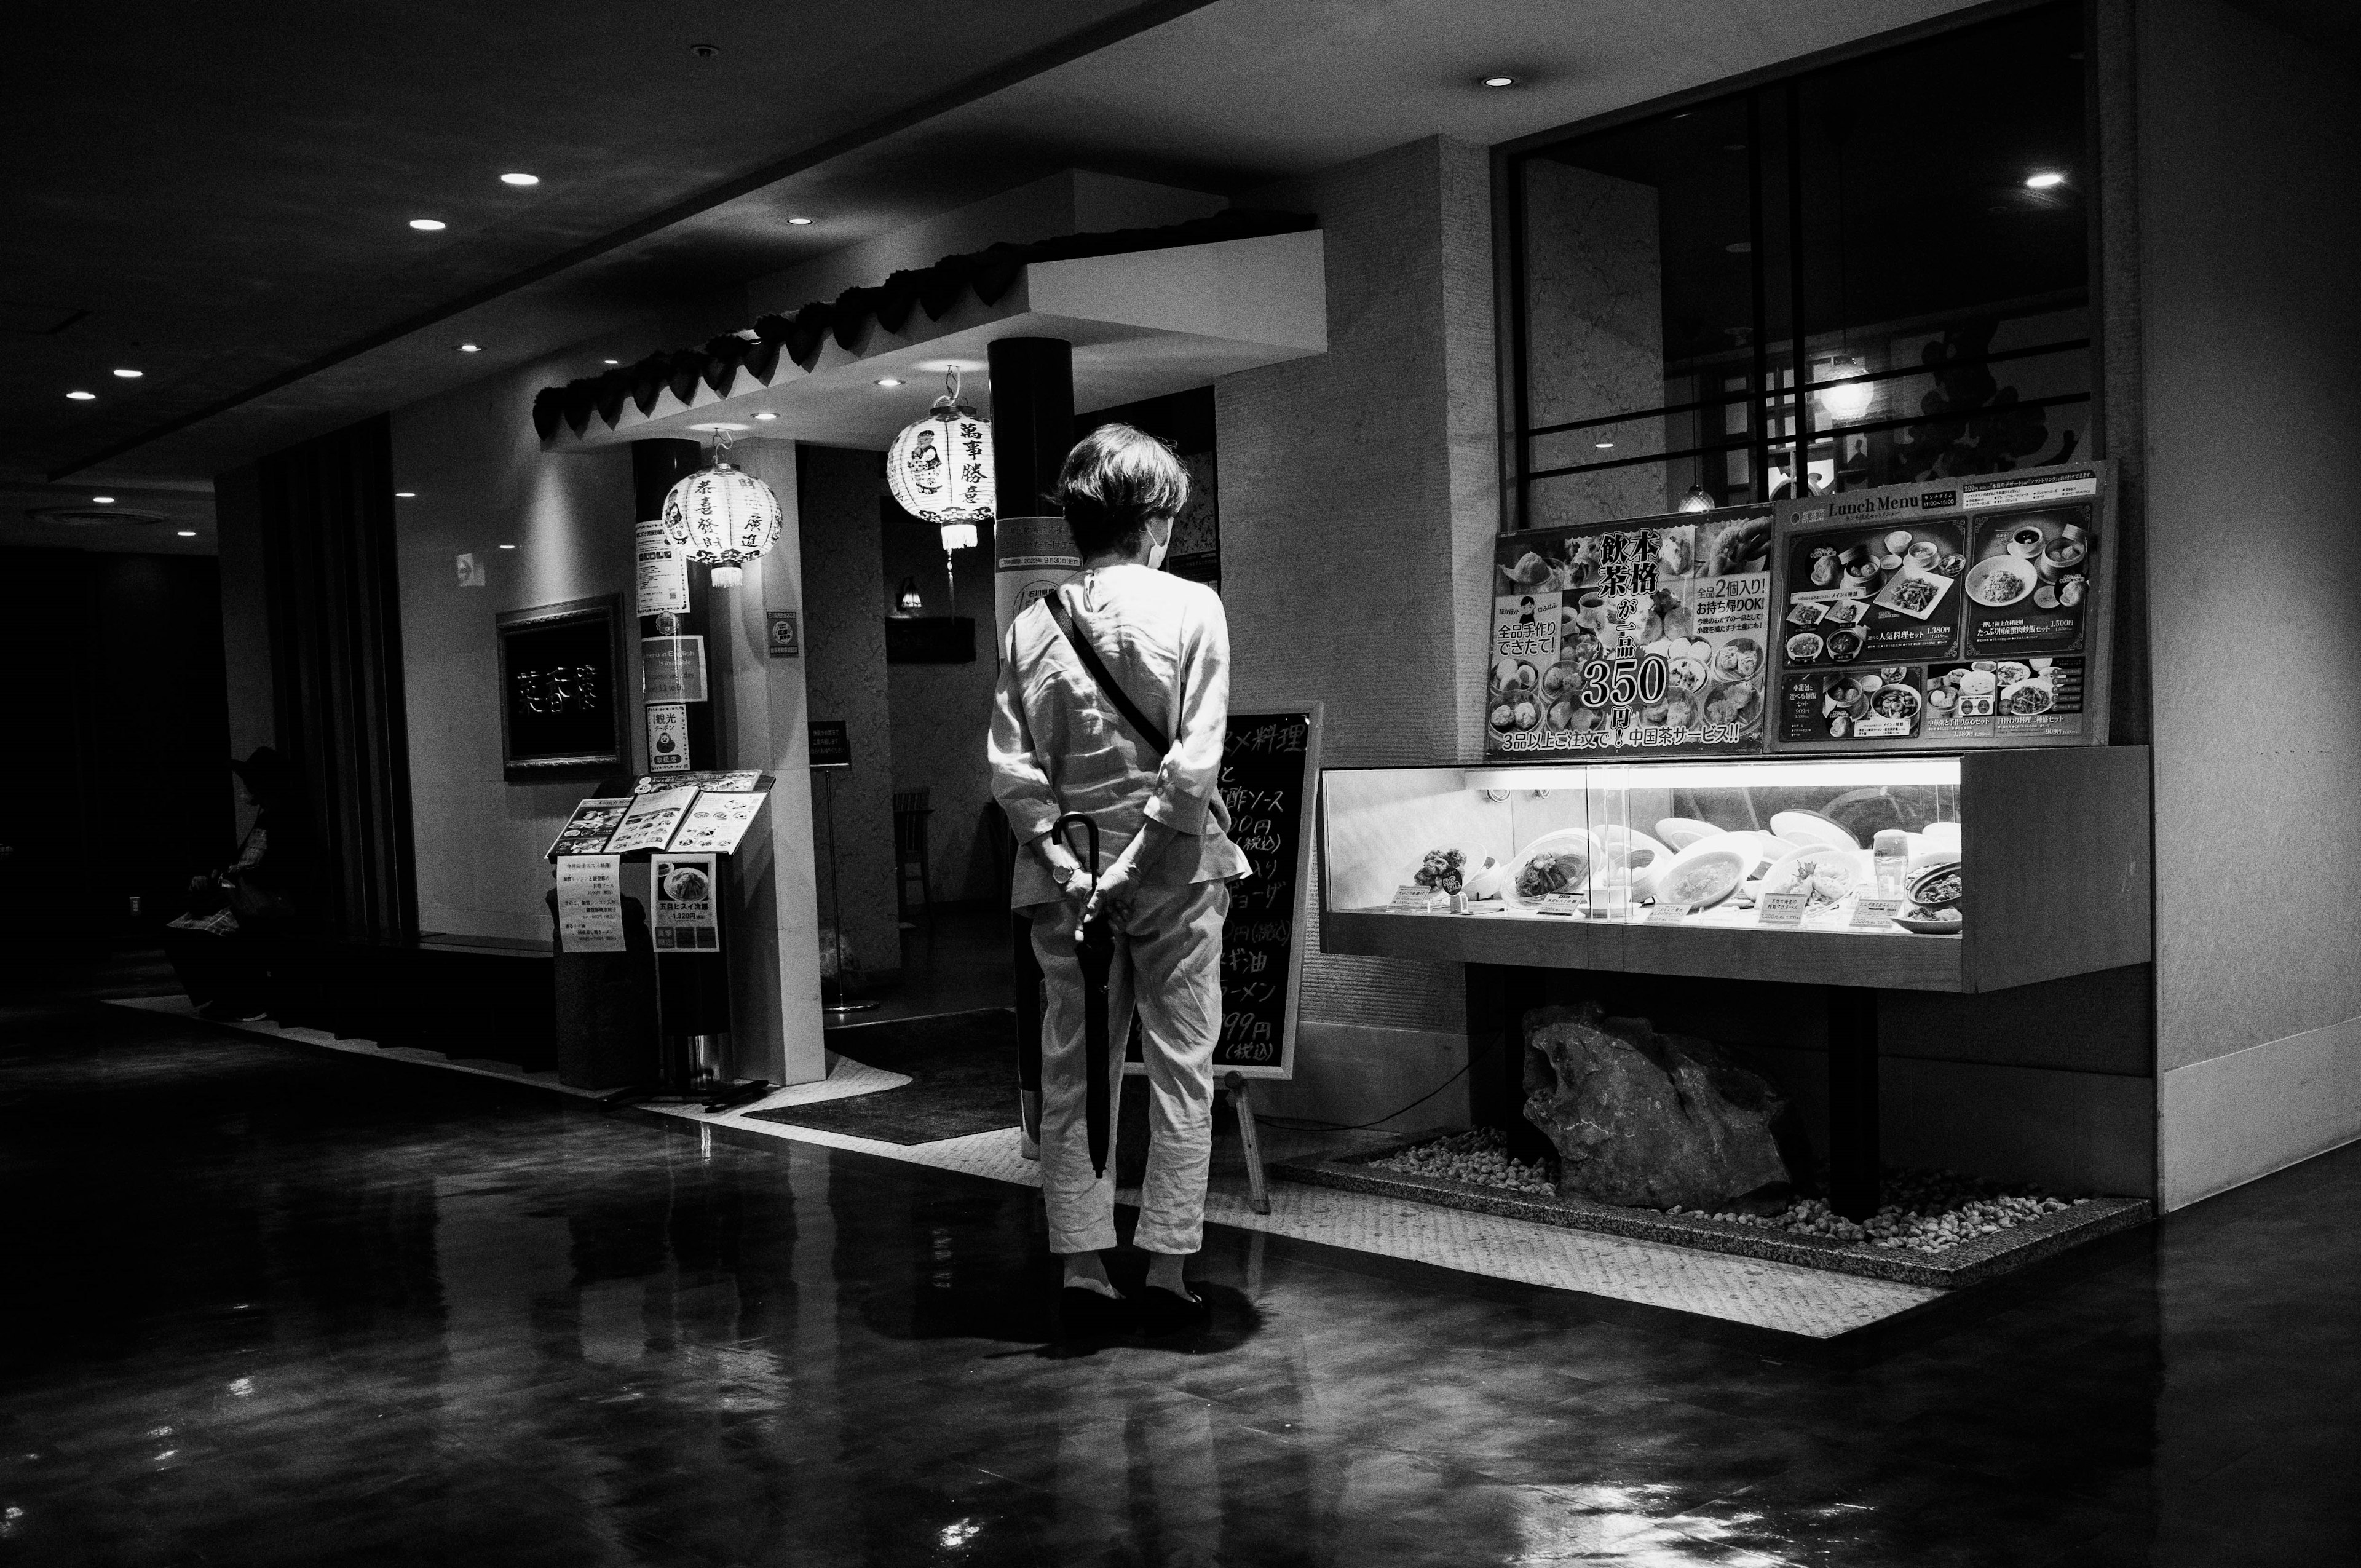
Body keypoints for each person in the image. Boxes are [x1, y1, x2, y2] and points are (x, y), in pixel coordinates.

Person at [988, 424, 1248, 1337]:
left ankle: (1083, 1267)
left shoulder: (1030, 624)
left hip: (1065, 884)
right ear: (1156, 520)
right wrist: (1137, 864)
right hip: (1175, 873)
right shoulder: (1194, 608)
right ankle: (1170, 1270)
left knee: (1075, 1070)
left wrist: (1071, 866)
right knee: (1183, 1072)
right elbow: (1196, 760)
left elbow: (1011, 771)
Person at [162, 747, 309, 1021]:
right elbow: (242, 860)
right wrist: (221, 875)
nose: (245, 787)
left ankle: (244, 999)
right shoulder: (267, 817)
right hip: (250, 897)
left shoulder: (284, 819)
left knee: (210, 933)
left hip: (269, 902)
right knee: (181, 929)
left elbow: (279, 869)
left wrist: (236, 875)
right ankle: (225, 995)